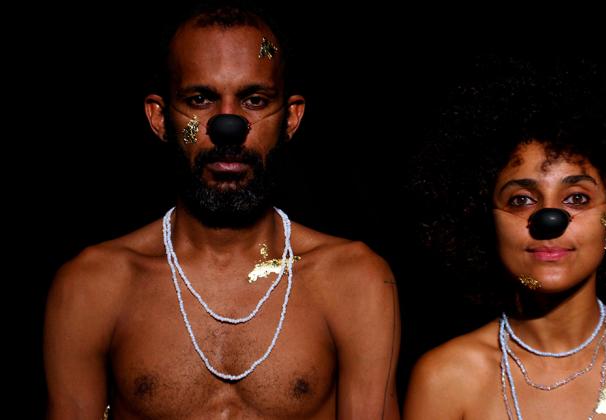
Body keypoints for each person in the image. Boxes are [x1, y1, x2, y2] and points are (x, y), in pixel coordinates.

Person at [43, 3, 400, 418]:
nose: (226, 125)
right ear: (160, 119)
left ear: (290, 118)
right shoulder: (94, 286)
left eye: (253, 99)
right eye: (200, 99)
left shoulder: (353, 281)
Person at [403, 58, 606, 419]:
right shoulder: (445, 378)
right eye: (521, 200)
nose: (549, 219)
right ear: (488, 221)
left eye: (577, 198)